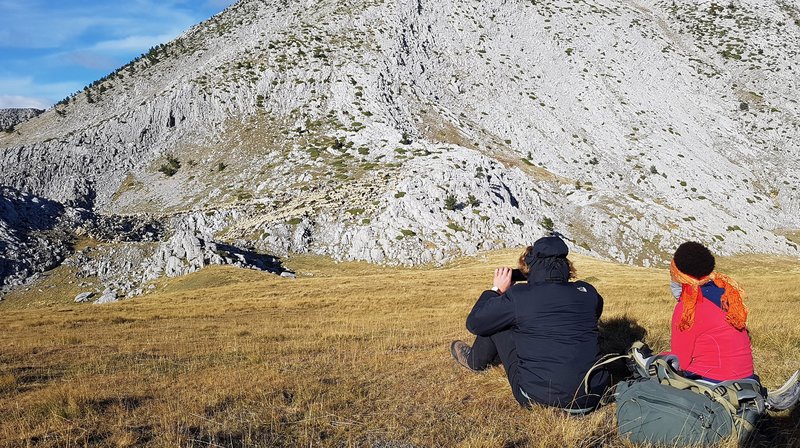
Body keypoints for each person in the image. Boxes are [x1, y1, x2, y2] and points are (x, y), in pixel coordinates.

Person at [450, 236, 610, 414]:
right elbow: (594, 313)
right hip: (593, 396)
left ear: (530, 267)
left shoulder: (519, 296)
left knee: (496, 321)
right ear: (566, 266)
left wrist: (496, 291)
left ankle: (474, 361)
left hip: (538, 399)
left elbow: (475, 323)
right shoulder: (587, 292)